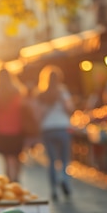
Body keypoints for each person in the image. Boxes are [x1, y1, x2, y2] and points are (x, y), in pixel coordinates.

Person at [36, 65, 75, 201]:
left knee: (52, 160)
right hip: (63, 127)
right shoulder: (62, 91)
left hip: (47, 129)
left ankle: (53, 189)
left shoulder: (41, 94)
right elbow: (69, 108)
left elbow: (39, 114)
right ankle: (64, 178)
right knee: (64, 158)